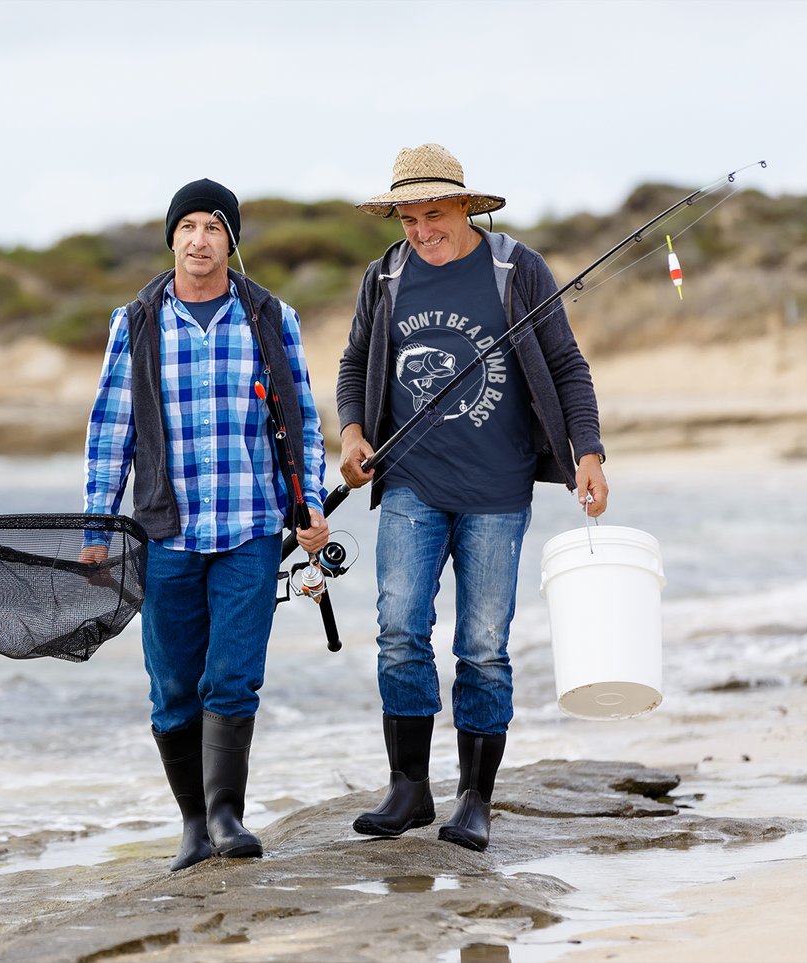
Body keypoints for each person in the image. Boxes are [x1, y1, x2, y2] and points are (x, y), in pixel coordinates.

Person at [335, 144, 609, 852]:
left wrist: (587, 452)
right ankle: (408, 787)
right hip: (409, 485)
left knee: (483, 646)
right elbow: (354, 359)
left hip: (495, 490)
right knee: (398, 629)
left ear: (463, 206)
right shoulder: (384, 276)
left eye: (433, 213)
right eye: (407, 217)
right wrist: (352, 432)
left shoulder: (514, 269)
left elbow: (565, 366)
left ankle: (474, 798)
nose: (421, 230)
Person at [79, 178, 329, 871]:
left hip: (249, 528)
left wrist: (306, 504)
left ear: (230, 241)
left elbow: (302, 420)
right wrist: (98, 526)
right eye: (187, 226)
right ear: (171, 237)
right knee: (172, 686)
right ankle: (192, 822)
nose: (198, 240)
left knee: (233, 678)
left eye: (213, 227)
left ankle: (226, 814)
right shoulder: (134, 321)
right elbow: (110, 432)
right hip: (165, 533)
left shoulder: (269, 315)